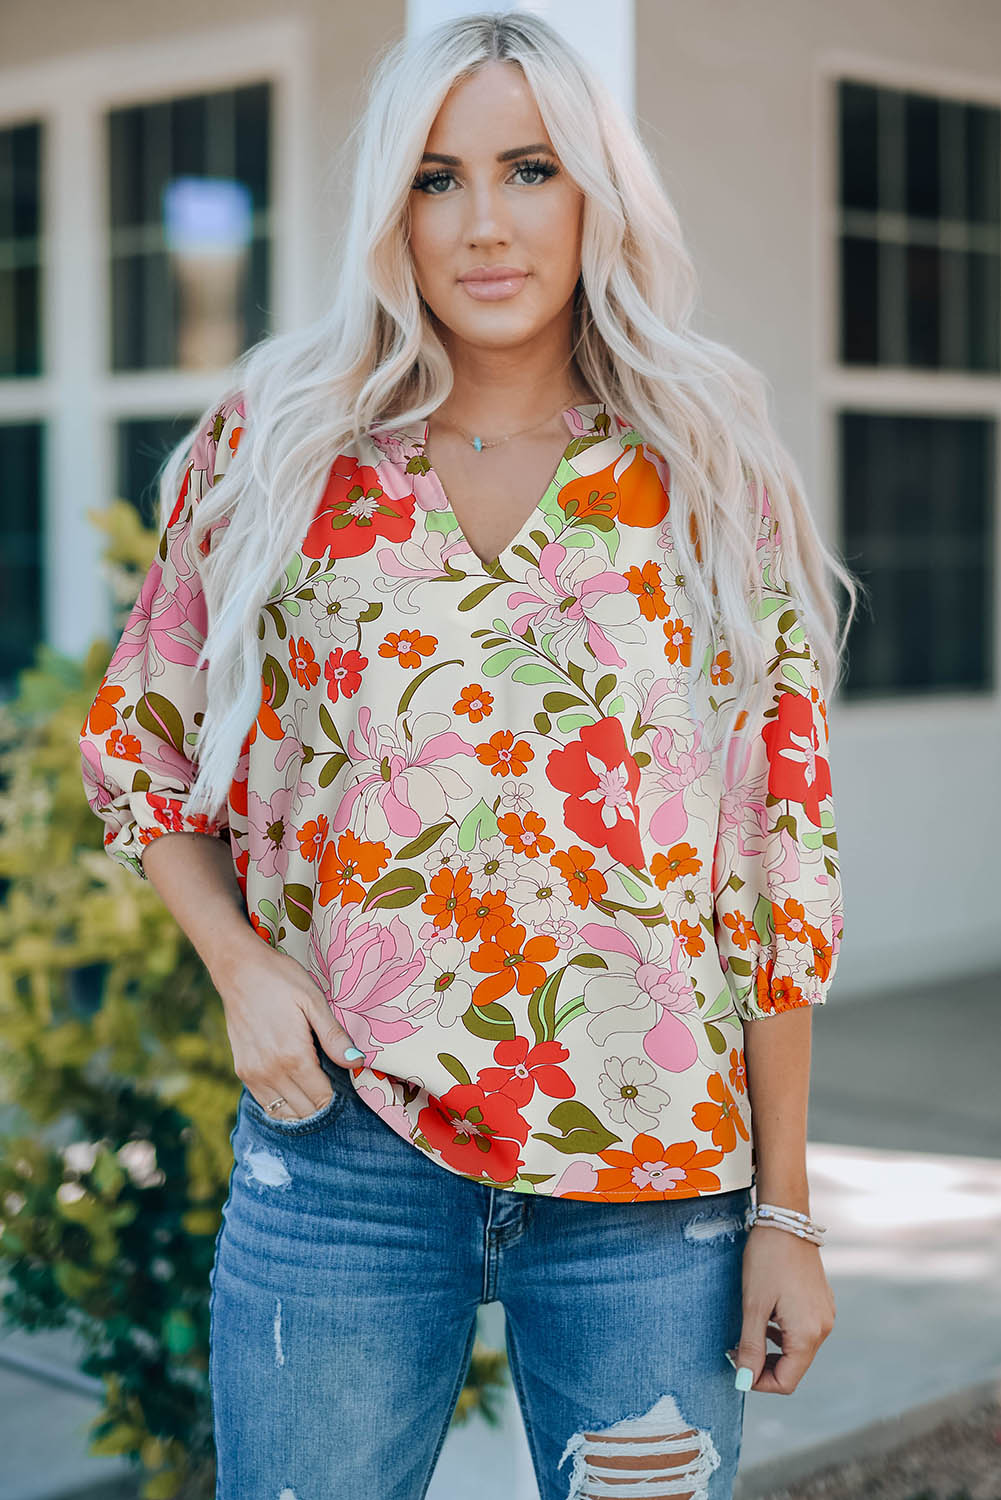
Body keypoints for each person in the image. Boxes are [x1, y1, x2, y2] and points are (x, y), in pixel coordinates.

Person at [78, 11, 860, 1499]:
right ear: (389, 208)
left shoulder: (706, 454)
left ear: (596, 194)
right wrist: (241, 968)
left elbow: (777, 850)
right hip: (343, 1149)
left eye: (528, 169)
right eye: (436, 179)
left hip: (653, 1166)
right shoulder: (283, 439)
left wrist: (791, 1210)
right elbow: (141, 744)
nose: (484, 224)